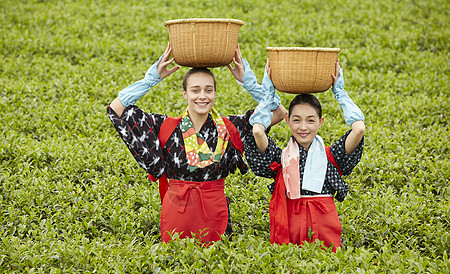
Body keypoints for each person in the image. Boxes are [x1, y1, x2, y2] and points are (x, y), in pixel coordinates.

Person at [107, 44, 286, 243]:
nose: (202, 96)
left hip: (216, 212)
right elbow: (117, 109)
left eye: (208, 90)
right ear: (185, 94)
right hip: (177, 212)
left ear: (215, 93)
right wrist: (150, 80)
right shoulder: (165, 126)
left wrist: (247, 82)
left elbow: (279, 113)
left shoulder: (231, 127)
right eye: (195, 90)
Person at [242, 60, 365, 252]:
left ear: (320, 122)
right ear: (288, 122)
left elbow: (359, 129)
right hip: (290, 223)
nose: (303, 127)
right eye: (297, 120)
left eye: (310, 120)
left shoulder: (332, 156)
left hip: (325, 226)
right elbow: (257, 132)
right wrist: (268, 95)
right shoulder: (280, 158)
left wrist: (340, 93)